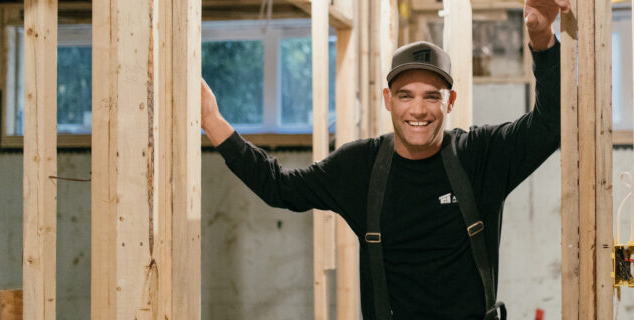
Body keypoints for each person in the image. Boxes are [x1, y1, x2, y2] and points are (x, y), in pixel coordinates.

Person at [200, 0, 569, 318]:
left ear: (450, 102)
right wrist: (213, 122)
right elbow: (280, 187)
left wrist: (540, 38)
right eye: (406, 95)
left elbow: (550, 126)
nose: (418, 110)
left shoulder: (481, 156)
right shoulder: (359, 167)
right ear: (387, 100)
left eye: (432, 96)